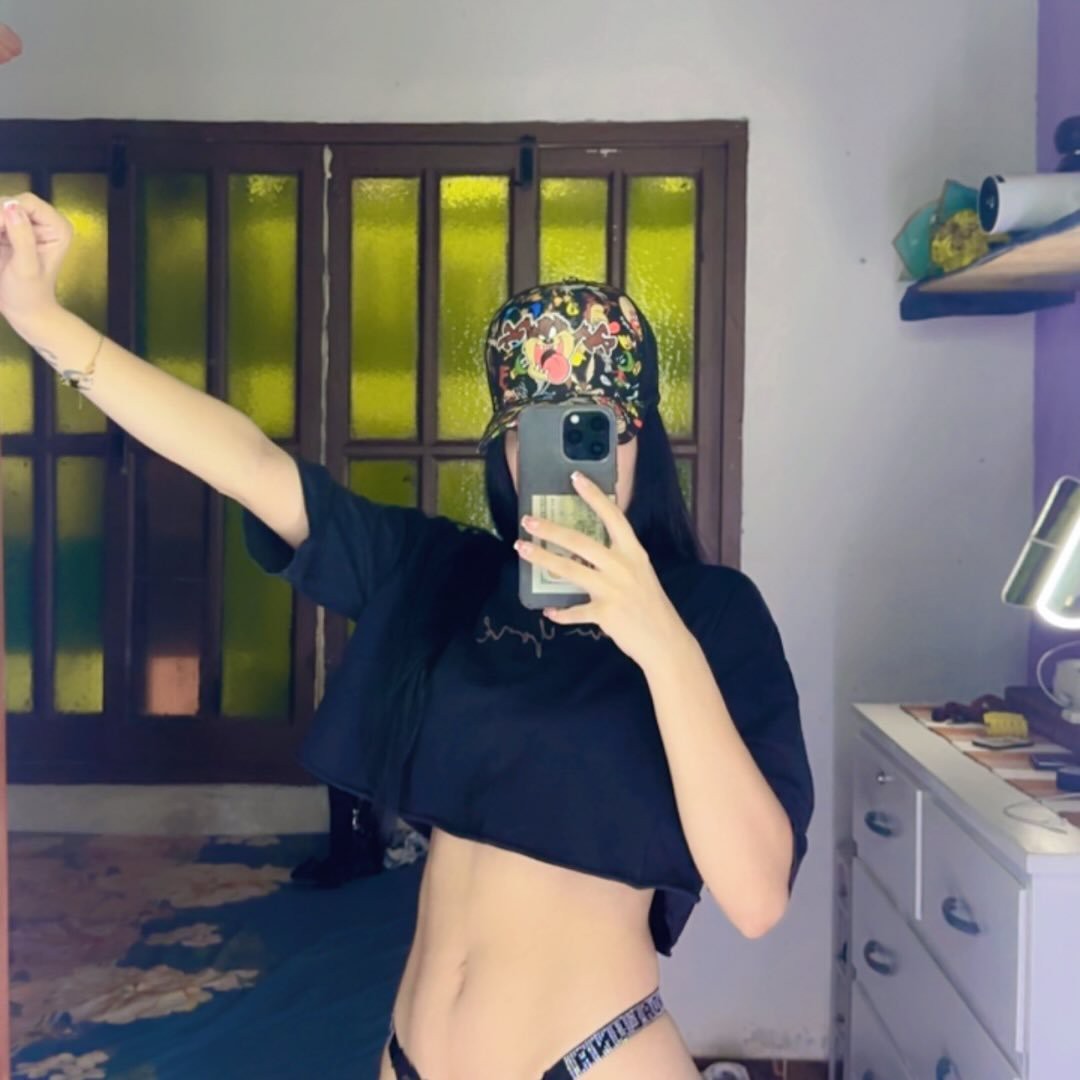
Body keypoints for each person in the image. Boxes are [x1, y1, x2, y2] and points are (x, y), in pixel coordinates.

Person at [0, 193, 814, 1080]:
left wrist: (659, 638)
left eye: (592, 430)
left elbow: (758, 896)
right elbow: (249, 465)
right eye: (530, 434)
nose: (562, 462)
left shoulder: (711, 613)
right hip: (409, 1056)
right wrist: (41, 318)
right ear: (505, 454)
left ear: (638, 440)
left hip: (593, 1060)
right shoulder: (446, 577)